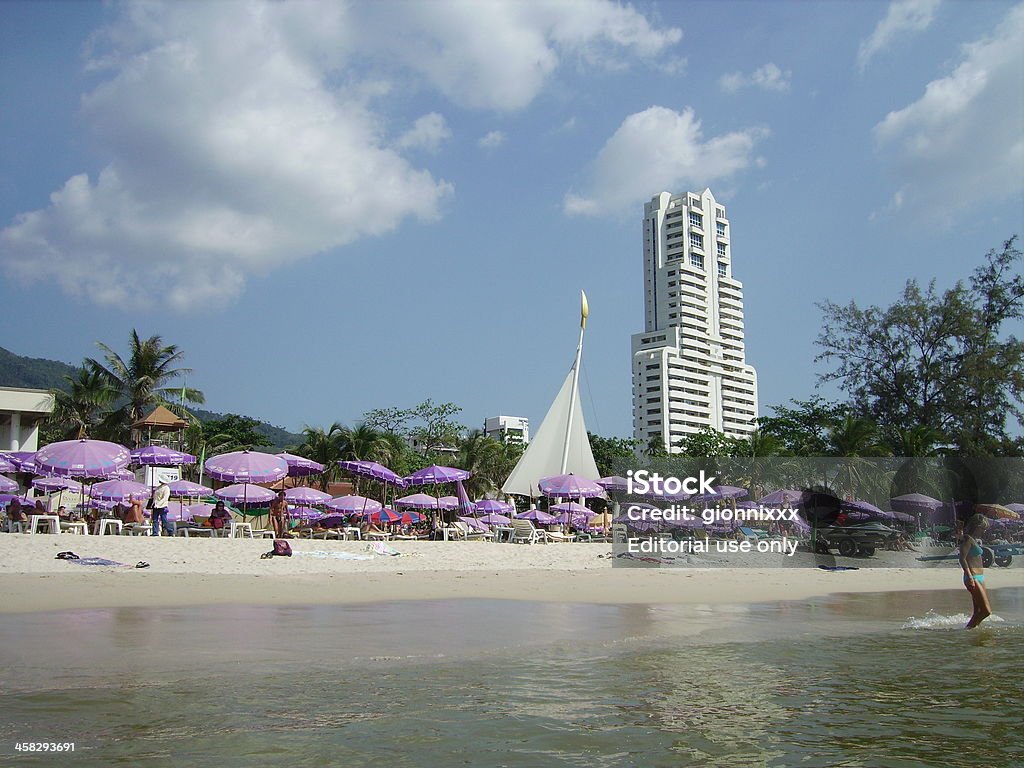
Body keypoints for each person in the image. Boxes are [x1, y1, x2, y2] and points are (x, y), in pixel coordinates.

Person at [959, 513, 992, 629]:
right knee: (986, 611)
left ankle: (971, 631)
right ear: (977, 527)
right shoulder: (968, 539)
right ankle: (968, 629)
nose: (984, 531)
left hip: (980, 577)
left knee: (978, 611)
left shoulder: (974, 540)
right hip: (973, 577)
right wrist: (970, 576)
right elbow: (962, 558)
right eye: (983, 528)